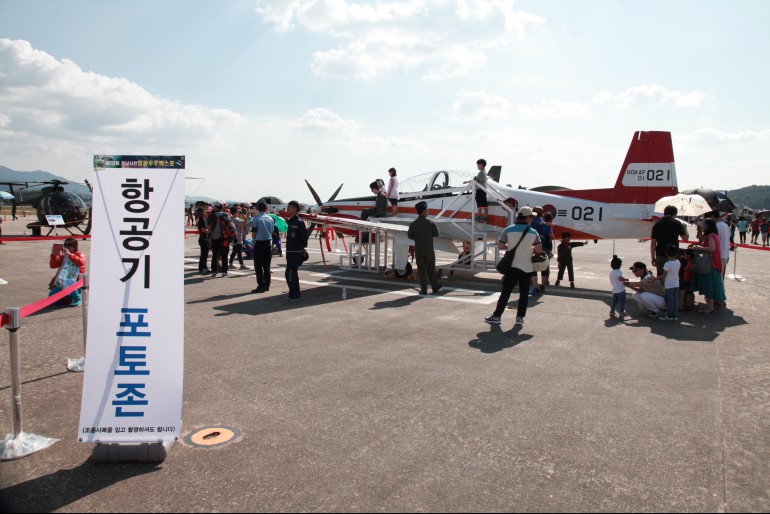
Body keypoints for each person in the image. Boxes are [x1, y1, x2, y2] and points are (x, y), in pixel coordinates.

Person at [485, 207, 541, 327]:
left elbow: (501, 246)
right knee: (524, 294)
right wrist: (529, 248)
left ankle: (497, 316)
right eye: (531, 217)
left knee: (506, 293)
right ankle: (520, 318)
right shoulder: (533, 232)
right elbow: (539, 249)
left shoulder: (508, 229)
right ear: (527, 218)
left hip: (513, 267)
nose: (531, 219)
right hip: (527, 268)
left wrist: (510, 247)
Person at [690, 219, 726, 314]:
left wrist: (699, 248)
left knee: (709, 286)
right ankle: (713, 304)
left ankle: (710, 308)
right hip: (713, 263)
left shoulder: (711, 235)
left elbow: (711, 249)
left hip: (710, 263)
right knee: (713, 285)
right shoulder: (714, 235)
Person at [407, 201, 441, 295]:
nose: (428, 211)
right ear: (424, 211)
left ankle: (423, 289)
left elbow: (410, 236)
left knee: (421, 270)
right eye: (427, 210)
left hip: (419, 250)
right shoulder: (431, 223)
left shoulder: (413, 224)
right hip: (429, 250)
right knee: (431, 269)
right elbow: (437, 234)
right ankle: (435, 286)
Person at [650, 205, 689, 276]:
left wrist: (653, 257)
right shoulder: (677, 223)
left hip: (660, 254)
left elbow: (653, 243)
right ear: (675, 214)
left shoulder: (657, 224)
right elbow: (685, 239)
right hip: (673, 255)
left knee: (661, 277)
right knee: (673, 276)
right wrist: (685, 228)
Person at [48, 238, 86, 306]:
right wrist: (53, 255)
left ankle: (77, 299)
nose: (66, 247)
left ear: (74, 247)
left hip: (76, 283)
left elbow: (81, 262)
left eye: (68, 245)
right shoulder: (64, 256)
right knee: (51, 298)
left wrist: (70, 255)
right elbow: (53, 265)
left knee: (69, 281)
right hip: (63, 282)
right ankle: (67, 298)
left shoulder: (79, 254)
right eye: (65, 245)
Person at [284, 200, 309, 301]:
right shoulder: (290, 221)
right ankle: (293, 294)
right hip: (290, 251)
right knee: (291, 273)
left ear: (295, 208)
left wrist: (300, 249)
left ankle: (294, 295)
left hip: (295, 251)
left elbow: (304, 238)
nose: (287, 208)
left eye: (289, 206)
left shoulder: (299, 222)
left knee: (290, 273)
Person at [251, 200, 275, 293]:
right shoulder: (270, 219)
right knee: (266, 266)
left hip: (259, 243)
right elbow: (272, 230)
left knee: (258, 266)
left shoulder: (256, 219)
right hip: (268, 243)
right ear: (266, 208)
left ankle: (261, 284)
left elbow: (254, 232)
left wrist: (253, 241)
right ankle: (267, 285)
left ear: (257, 209)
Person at [207, 202, 234, 278]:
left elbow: (209, 227)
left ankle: (214, 271)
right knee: (224, 255)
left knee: (215, 255)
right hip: (225, 238)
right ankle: (225, 272)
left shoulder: (212, 215)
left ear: (215, 207)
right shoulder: (226, 215)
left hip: (216, 238)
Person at [657, 244, 681, 321]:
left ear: (666, 254)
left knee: (669, 301)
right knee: (675, 300)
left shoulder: (667, 264)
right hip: (676, 284)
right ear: (676, 253)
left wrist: (655, 278)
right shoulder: (678, 262)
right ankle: (675, 315)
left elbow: (663, 276)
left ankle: (670, 315)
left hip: (669, 285)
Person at [228, 206, 249, 270]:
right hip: (238, 237)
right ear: (234, 213)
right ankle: (241, 265)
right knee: (239, 251)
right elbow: (244, 223)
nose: (239, 213)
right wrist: (247, 216)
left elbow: (244, 222)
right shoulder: (235, 219)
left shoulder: (232, 218)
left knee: (234, 251)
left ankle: (230, 264)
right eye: (238, 212)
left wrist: (246, 217)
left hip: (235, 237)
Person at [195, 207, 210, 275]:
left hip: (203, 239)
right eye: (204, 211)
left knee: (205, 254)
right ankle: (201, 268)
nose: (205, 212)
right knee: (203, 255)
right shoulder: (201, 220)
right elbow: (203, 230)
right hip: (203, 239)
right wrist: (209, 231)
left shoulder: (202, 219)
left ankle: (204, 267)